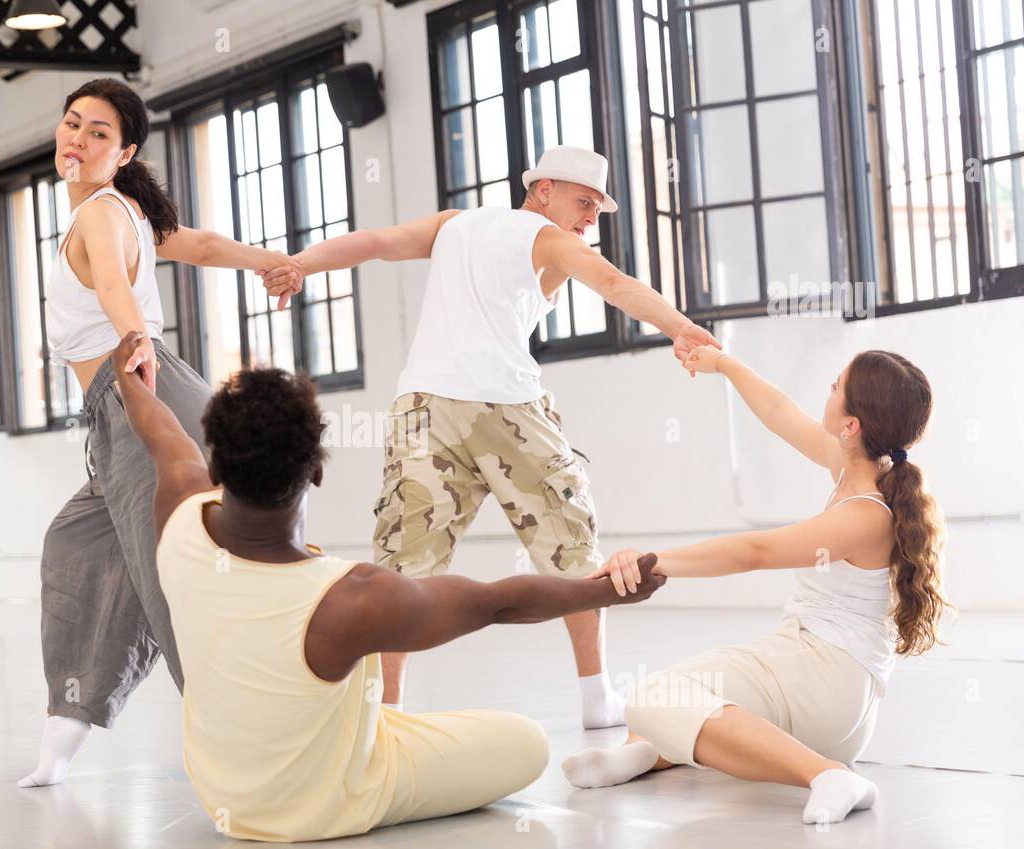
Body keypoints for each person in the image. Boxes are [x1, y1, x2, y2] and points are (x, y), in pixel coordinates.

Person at [107, 330, 667, 841]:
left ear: (217, 466)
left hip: (223, 795)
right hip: (328, 804)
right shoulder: (349, 599)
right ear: (317, 469)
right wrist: (610, 589)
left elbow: (158, 429)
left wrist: (129, 376)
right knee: (527, 741)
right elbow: (500, 603)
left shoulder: (179, 513)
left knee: (380, 720)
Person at [263, 145, 719, 728]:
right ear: (544, 189)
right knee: (571, 545)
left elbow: (378, 243)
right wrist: (682, 329)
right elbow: (612, 282)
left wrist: (303, 262)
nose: (587, 219)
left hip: (423, 408)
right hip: (506, 408)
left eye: (596, 211)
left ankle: (389, 714)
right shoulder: (551, 240)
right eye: (583, 202)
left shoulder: (458, 225)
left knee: (404, 562)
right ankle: (597, 696)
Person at [19, 78, 303, 787]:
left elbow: (115, 283)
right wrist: (265, 260)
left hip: (140, 393)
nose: (77, 141)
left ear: (125, 152)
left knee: (169, 575)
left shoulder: (100, 219)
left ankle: (246, 747)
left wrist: (135, 335)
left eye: (99, 134)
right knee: (77, 544)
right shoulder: (122, 210)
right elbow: (200, 244)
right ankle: (68, 725)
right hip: (131, 404)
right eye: (73, 124)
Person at [562, 347, 949, 825]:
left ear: (852, 425)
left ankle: (826, 774)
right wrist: (723, 363)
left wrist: (652, 563)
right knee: (671, 697)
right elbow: (778, 412)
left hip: (830, 684)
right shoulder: (855, 469)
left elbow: (753, 552)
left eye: (837, 385)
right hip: (808, 665)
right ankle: (644, 753)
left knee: (649, 698)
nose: (829, 387)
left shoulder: (867, 515)